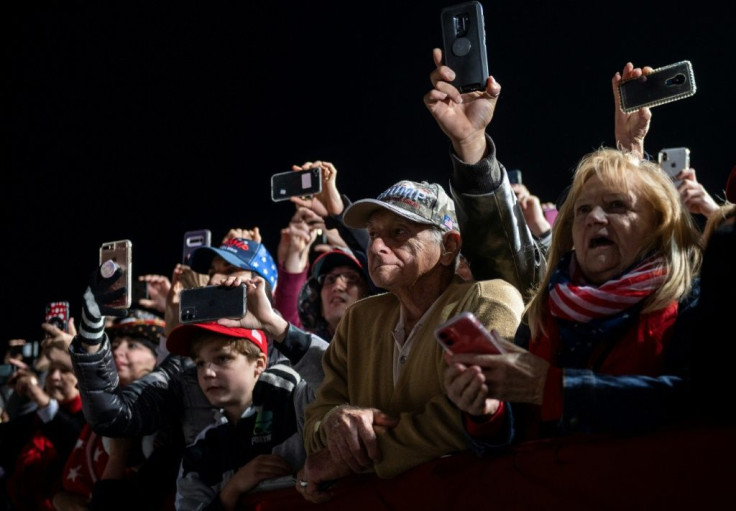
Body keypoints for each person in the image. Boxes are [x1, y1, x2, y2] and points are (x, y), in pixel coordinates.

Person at [442, 146, 702, 446]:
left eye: (617, 205)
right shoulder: (543, 310)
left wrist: (555, 389)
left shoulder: (690, 299)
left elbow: (695, 402)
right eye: (583, 209)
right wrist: (487, 413)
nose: (594, 217)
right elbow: (513, 435)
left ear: (658, 225)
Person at [296, 179, 524, 503]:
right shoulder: (358, 320)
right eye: (373, 234)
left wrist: (353, 457)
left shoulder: (488, 301)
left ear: (448, 247)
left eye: (399, 233)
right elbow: (317, 420)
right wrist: (335, 423)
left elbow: (467, 417)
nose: (375, 247)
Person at [169, 275, 327, 510]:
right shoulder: (201, 451)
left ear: (259, 363)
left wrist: (272, 323)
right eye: (200, 363)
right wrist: (232, 489)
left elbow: (341, 378)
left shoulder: (292, 399)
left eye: (222, 358)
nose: (208, 373)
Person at [53, 309, 175, 511]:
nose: (117, 352)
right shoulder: (100, 407)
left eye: (133, 345)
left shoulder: (162, 415)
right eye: (115, 345)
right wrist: (60, 499)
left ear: (157, 358)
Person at [1, 343, 85, 510]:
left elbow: (73, 443)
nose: (54, 377)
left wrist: (43, 402)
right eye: (51, 370)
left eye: (64, 371)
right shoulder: (35, 418)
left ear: (82, 379)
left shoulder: (90, 421)